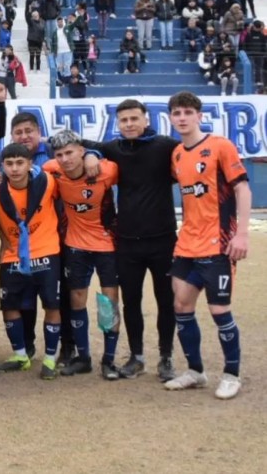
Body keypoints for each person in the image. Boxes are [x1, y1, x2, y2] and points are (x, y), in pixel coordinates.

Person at [82, 99, 179, 382]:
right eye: (124, 120)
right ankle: (136, 357)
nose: (129, 124)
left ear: (146, 120)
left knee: (166, 300)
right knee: (130, 302)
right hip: (127, 242)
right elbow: (82, 143)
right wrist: (89, 154)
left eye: (134, 119)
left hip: (163, 241)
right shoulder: (114, 149)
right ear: (118, 124)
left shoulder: (166, 146)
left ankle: (166, 357)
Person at [164, 92, 250, 399]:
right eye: (176, 113)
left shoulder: (220, 146)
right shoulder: (176, 154)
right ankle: (196, 371)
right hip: (186, 245)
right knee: (181, 306)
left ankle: (231, 374)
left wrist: (241, 234)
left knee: (219, 309)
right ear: (171, 118)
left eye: (188, 112)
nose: (182, 117)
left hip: (218, 245)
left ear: (200, 115)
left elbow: (241, 188)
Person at [44, 131, 121, 379]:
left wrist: (92, 155)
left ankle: (108, 361)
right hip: (75, 245)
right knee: (77, 300)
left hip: (107, 245)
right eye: (60, 155)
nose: (65, 159)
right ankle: (83, 357)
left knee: (108, 303)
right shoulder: (51, 170)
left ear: (80, 150)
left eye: (70, 152)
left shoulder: (106, 170)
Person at [0, 143, 62, 380]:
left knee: (52, 306)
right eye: (9, 164)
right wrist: (4, 238)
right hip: (13, 256)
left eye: (20, 163)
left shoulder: (48, 182)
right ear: (3, 166)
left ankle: (50, 358)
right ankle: (20, 355)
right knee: (9, 306)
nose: (15, 168)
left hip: (47, 252)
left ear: (30, 164)